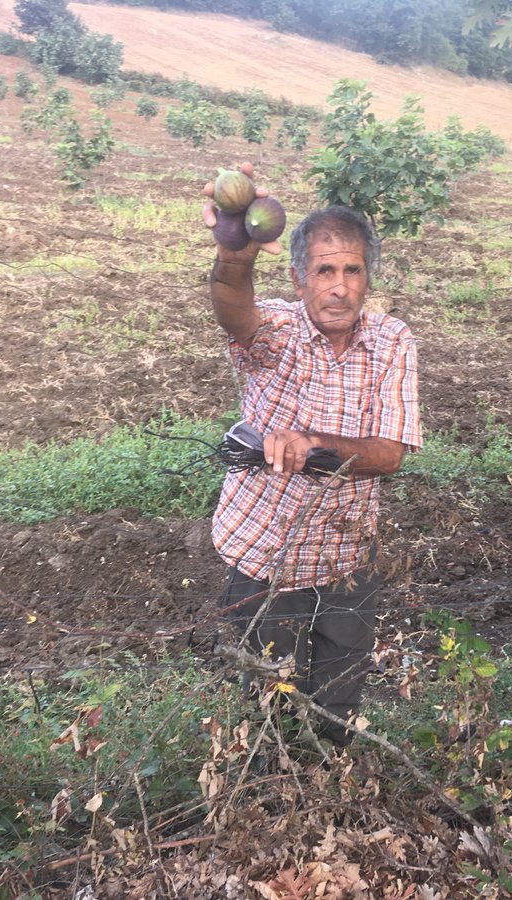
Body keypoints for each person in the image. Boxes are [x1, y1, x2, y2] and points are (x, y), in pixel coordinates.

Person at [203, 165, 422, 745]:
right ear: (299, 280)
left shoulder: (392, 341)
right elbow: (234, 310)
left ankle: (330, 782)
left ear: (368, 278)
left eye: (353, 271)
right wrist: (235, 257)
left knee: (339, 701)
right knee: (268, 704)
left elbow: (389, 454)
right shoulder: (277, 331)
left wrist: (313, 443)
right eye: (325, 271)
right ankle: (271, 789)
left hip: (347, 558)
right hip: (264, 556)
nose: (339, 287)